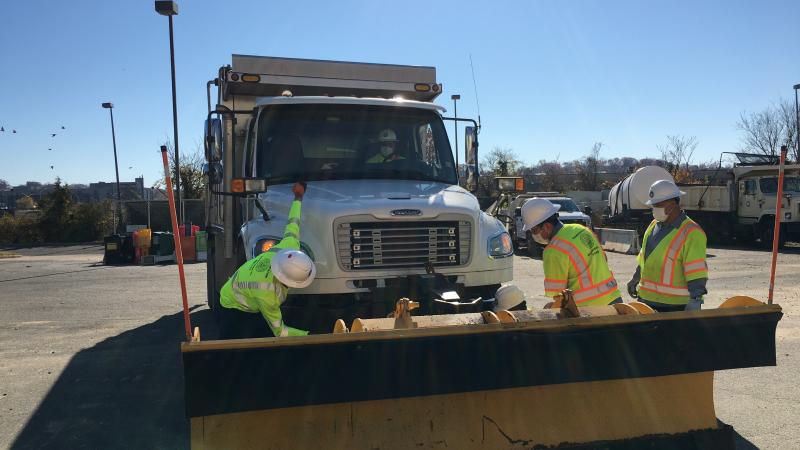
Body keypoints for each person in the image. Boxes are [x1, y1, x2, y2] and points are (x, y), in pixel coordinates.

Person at [219, 182, 316, 337]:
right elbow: (281, 332)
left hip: (246, 290)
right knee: (237, 345)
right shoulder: (267, 295)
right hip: (232, 304)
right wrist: (310, 336)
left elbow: (293, 222)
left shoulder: (288, 246)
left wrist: (298, 197)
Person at [521, 198, 622, 306]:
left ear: (547, 227)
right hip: (614, 298)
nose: (533, 235)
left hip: (588, 309)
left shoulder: (553, 251)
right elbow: (604, 258)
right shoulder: (581, 229)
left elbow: (556, 292)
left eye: (534, 230)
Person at [627, 180, 708, 312]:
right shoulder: (653, 225)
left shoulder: (692, 232)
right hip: (646, 299)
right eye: (653, 205)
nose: (654, 209)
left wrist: (696, 299)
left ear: (671, 205)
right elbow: (645, 258)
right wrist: (635, 279)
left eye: (657, 205)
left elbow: (696, 271)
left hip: (673, 305)